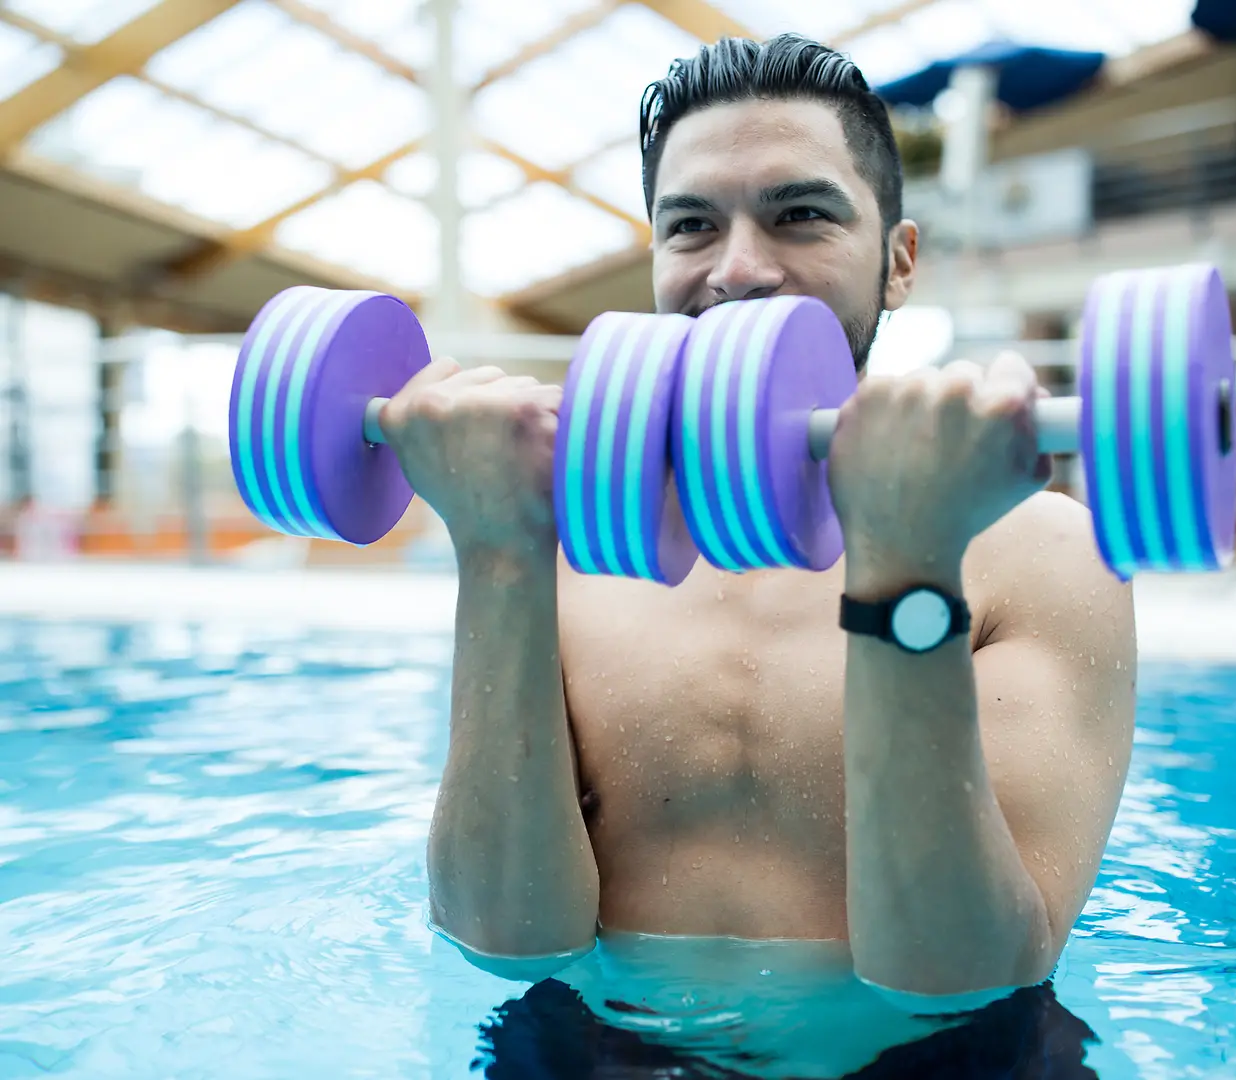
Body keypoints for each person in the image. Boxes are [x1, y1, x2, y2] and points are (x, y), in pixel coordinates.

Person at [382, 29, 1136, 1056]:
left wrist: (904, 557)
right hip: (594, 1049)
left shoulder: (1039, 551)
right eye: (691, 226)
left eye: (802, 214)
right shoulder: (563, 540)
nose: (738, 270)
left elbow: (961, 980)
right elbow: (505, 944)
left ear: (899, 260)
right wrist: (497, 554)